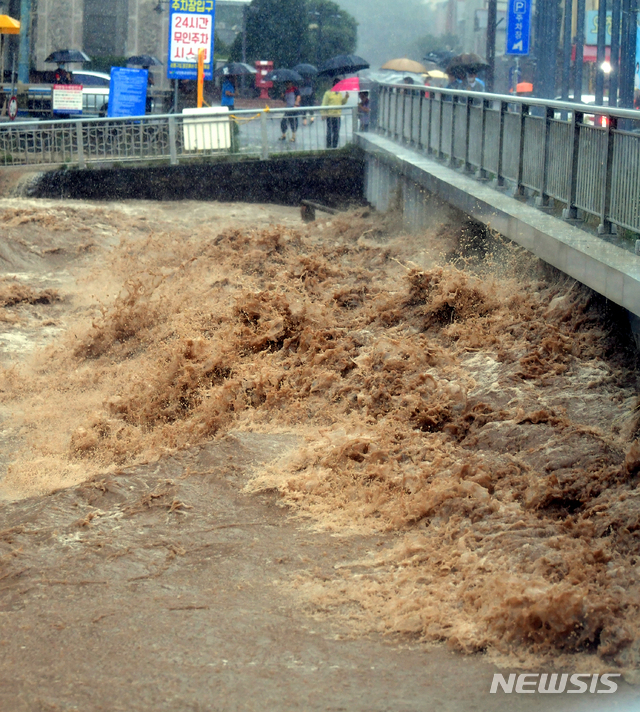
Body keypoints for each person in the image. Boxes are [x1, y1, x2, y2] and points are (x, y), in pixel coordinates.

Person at [321, 81, 348, 149]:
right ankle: (329, 146)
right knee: (329, 132)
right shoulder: (328, 93)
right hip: (330, 116)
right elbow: (324, 104)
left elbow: (342, 103)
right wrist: (323, 113)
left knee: (336, 132)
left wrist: (346, 98)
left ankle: (334, 147)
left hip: (337, 116)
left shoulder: (339, 94)